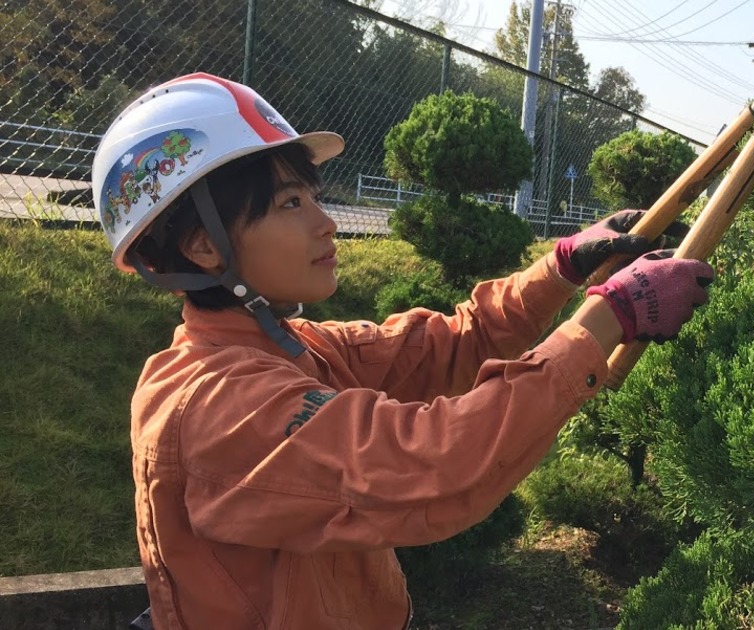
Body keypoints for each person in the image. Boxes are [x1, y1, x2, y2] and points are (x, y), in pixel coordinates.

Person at [92, 72, 713, 630]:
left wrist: (560, 269)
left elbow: (444, 344)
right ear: (204, 248)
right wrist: (612, 315)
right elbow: (435, 463)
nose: (325, 221)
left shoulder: (288, 350)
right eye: (289, 204)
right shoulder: (220, 407)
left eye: (310, 195)